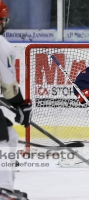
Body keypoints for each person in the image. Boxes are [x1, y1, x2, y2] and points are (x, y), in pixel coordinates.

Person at [0, 1, 32, 199]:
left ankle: (6, 186)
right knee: (3, 139)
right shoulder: (3, 47)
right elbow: (9, 85)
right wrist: (20, 104)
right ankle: (3, 190)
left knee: (10, 135)